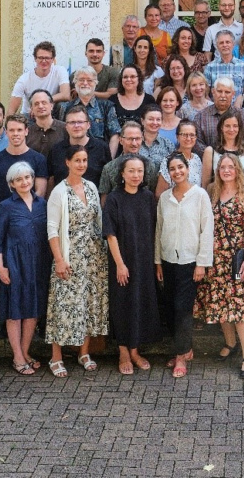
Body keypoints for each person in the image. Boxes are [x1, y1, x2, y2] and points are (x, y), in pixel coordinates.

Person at [195, 154, 244, 379]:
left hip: (238, 260)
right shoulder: (211, 191)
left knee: (242, 308)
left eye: (230, 167)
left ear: (238, 169)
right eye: (222, 167)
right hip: (214, 259)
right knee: (220, 304)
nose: (226, 170)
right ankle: (230, 343)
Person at [46, 145, 108, 377]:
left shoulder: (91, 187)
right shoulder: (59, 192)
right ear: (67, 163)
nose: (81, 164)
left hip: (93, 257)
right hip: (69, 258)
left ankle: (84, 352)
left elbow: (98, 221)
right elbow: (52, 230)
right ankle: (56, 357)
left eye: (84, 160)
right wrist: (59, 260)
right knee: (63, 306)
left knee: (90, 305)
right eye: (77, 160)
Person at [155, 153, 215, 378]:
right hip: (169, 260)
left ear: (188, 169)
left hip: (190, 263)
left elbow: (206, 230)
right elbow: (159, 230)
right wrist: (158, 261)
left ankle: (181, 356)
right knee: (170, 309)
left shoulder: (200, 196)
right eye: (172, 168)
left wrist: (202, 263)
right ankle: (185, 349)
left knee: (182, 310)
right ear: (168, 173)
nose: (177, 172)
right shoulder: (164, 198)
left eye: (180, 167)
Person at [0, 160, 50, 377]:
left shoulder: (43, 203)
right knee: (15, 311)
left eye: (27, 177)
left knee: (32, 310)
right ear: (11, 184)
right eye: (19, 179)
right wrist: (0, 267)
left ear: (33, 179)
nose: (24, 182)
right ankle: (16, 357)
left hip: (38, 264)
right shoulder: (6, 206)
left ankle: (25, 352)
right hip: (14, 264)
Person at [103, 155, 161, 375]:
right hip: (122, 260)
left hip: (143, 260)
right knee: (122, 304)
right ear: (122, 174)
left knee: (139, 304)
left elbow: (154, 230)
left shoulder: (147, 197)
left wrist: (156, 263)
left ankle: (135, 351)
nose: (136, 175)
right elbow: (110, 233)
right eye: (131, 171)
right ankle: (123, 352)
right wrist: (120, 264)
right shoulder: (114, 199)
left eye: (140, 171)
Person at [0, 114, 48, 210]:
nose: (15, 133)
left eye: (19, 130)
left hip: (29, 217)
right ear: (6, 132)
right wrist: (4, 214)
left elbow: (40, 192)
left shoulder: (39, 159)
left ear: (26, 131)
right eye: (12, 130)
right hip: (2, 218)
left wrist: (23, 214)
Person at [58, 66, 122, 157]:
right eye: (81, 80)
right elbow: (61, 135)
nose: (85, 83)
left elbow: (115, 134)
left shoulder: (106, 106)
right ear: (75, 83)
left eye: (89, 80)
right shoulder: (64, 107)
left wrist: (108, 160)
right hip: (72, 158)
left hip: (99, 157)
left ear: (96, 83)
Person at [47, 107, 111, 188]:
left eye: (80, 122)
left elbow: (107, 182)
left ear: (88, 125)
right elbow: (51, 180)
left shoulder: (102, 148)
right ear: (66, 126)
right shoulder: (56, 150)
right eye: (72, 122)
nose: (76, 126)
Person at [98, 121, 160, 198]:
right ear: (121, 140)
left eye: (137, 139)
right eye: (130, 139)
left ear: (142, 139)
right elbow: (104, 199)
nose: (134, 143)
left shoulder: (149, 166)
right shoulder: (109, 168)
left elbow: (153, 195)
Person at [8, 41, 71, 116]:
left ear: (53, 59)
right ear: (35, 58)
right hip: (30, 114)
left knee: (62, 106)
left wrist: (44, 102)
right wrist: (7, 125)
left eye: (47, 58)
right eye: (40, 58)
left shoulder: (60, 71)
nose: (44, 61)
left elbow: (66, 95)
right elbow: (12, 109)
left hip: (51, 113)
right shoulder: (24, 79)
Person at [197, 76, 244, 150]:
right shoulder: (201, 117)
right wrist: (214, 157)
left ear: (233, 94)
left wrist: (231, 157)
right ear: (213, 92)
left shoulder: (242, 116)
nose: (223, 95)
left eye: (227, 92)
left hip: (236, 160)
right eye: (219, 91)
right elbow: (197, 144)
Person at [202, 110, 244, 188]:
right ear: (221, 127)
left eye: (235, 126)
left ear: (239, 128)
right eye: (227, 126)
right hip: (216, 197)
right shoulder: (210, 152)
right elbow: (205, 185)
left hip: (239, 198)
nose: (231, 129)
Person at [155, 120, 205, 194]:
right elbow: (159, 193)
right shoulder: (169, 160)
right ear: (177, 137)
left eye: (192, 135)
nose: (188, 138)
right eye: (184, 135)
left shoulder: (196, 159)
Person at [204, 30, 244, 97]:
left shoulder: (243, 66)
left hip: (238, 106)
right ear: (217, 46)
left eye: (227, 42)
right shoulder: (210, 67)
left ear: (233, 44)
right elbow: (205, 94)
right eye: (221, 43)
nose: (225, 45)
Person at [24, 90, 68, 159]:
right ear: (32, 109)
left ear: (51, 106)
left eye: (44, 103)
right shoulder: (27, 133)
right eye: (36, 104)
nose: (40, 106)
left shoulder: (66, 129)